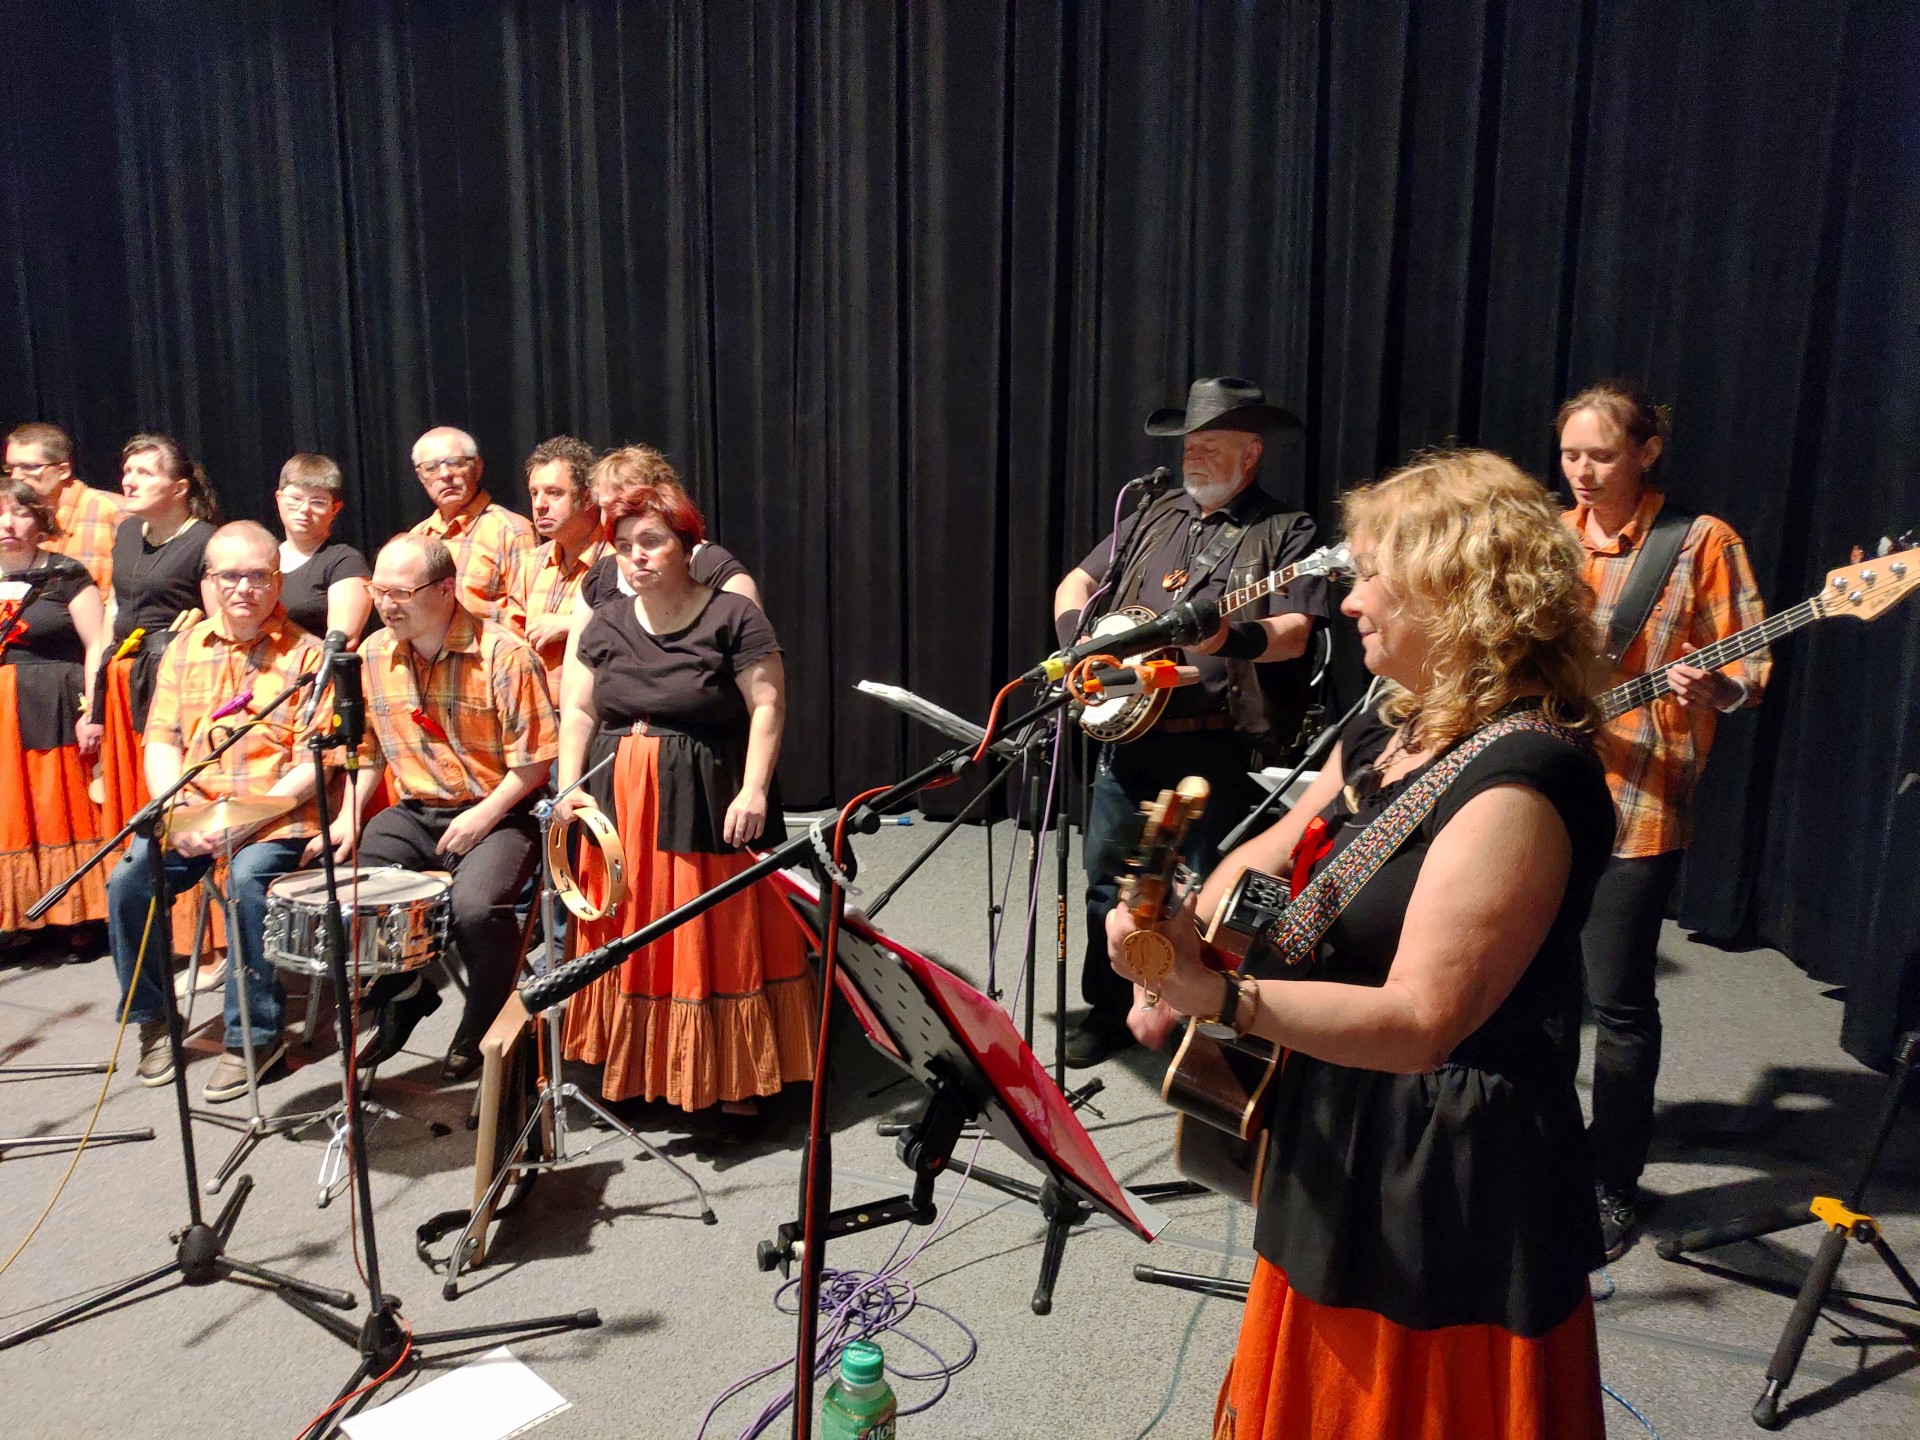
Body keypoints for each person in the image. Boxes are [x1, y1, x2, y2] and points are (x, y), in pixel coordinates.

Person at [1108, 450, 1612, 1439]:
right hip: (1342, 1105)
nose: (1349, 602)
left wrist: (1225, 1000)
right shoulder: (1393, 723)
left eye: (1373, 575)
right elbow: (1268, 849)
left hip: (1441, 1166)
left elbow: (1421, 1024)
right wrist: (1178, 936)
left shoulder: (1522, 783)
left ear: (1460, 596)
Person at [1052, 377, 1329, 1066]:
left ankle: (1205, 1024)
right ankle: (1109, 1009)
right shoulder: (1152, 512)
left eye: (1211, 446)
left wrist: (1228, 639)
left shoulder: (1287, 530)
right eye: (1189, 447)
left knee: (1209, 895)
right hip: (1129, 733)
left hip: (1214, 740)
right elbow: (1075, 583)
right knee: (1108, 881)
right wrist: (1080, 647)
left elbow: (1296, 632)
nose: (1193, 458)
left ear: (1252, 453)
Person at [1556, 379, 1769, 1259]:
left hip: (1637, 804)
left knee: (1618, 1005)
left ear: (1647, 452)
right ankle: (1540, 1155)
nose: (1582, 471)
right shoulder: (1551, 539)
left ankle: (1612, 1182)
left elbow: (1749, 667)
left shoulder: (1700, 542)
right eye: (1570, 454)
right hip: (1544, 794)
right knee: (1535, 992)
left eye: (1601, 455)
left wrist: (1717, 687)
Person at [554, 468, 814, 1115]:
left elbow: (768, 704)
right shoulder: (606, 622)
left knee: (711, 931)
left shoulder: (732, 615)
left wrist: (754, 790)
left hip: (703, 792)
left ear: (687, 546)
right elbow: (580, 711)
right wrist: (568, 789)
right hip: (621, 798)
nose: (636, 557)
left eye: (651, 542)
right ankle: (641, 1068)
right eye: (624, 546)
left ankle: (732, 1078)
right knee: (631, 926)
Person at [105, 522, 331, 1099]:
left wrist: (244, 822)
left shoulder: (309, 656)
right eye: (230, 576)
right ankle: (155, 1021)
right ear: (208, 581)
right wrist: (173, 811)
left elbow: (316, 767)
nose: (244, 588)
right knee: (130, 880)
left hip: (273, 817)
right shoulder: (184, 649)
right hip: (195, 811)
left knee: (250, 880)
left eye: (258, 576)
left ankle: (254, 1035)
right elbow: (162, 741)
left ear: (277, 581)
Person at [332, 534, 557, 1081]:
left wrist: (483, 816)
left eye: (400, 593)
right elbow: (369, 753)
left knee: (475, 909)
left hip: (502, 811)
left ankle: (487, 1020)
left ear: (445, 589)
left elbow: (534, 766)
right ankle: (406, 989)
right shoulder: (372, 655)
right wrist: (348, 816)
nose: (386, 605)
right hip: (416, 810)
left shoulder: (503, 655)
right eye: (378, 591)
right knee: (351, 889)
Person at [0, 480, 108, 963]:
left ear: (41, 520)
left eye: (20, 513)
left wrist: (94, 709)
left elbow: (97, 644)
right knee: (11, 813)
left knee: (57, 805)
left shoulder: (65, 574)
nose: (8, 524)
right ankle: (23, 917)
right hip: (2, 713)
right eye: (0, 513)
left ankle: (79, 916)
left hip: (56, 703)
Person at [572, 444, 762, 614]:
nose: (615, 517)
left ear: (662, 501)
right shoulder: (600, 577)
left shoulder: (715, 570)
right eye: (606, 508)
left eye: (628, 506)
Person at [509, 435, 606, 698]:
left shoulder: (618, 558)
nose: (539, 505)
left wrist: (572, 624)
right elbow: (511, 639)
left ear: (587, 498)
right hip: (538, 712)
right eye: (534, 493)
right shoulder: (532, 562)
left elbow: (642, 629)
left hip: (594, 713)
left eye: (554, 493)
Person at [408, 426, 535, 626]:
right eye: (432, 467)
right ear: (421, 476)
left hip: (488, 645)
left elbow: (526, 619)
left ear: (477, 467)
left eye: (455, 463)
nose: (445, 474)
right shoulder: (416, 538)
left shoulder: (512, 531)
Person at [5, 422, 123, 591]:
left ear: (63, 471)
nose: (16, 476)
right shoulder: (9, 520)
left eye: (29, 467)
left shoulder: (113, 513)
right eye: (10, 468)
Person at [273, 453, 372, 643]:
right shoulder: (264, 558)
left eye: (318, 502)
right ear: (279, 499)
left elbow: (343, 642)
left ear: (335, 509)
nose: (305, 509)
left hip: (316, 661)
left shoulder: (345, 561)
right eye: (295, 498)